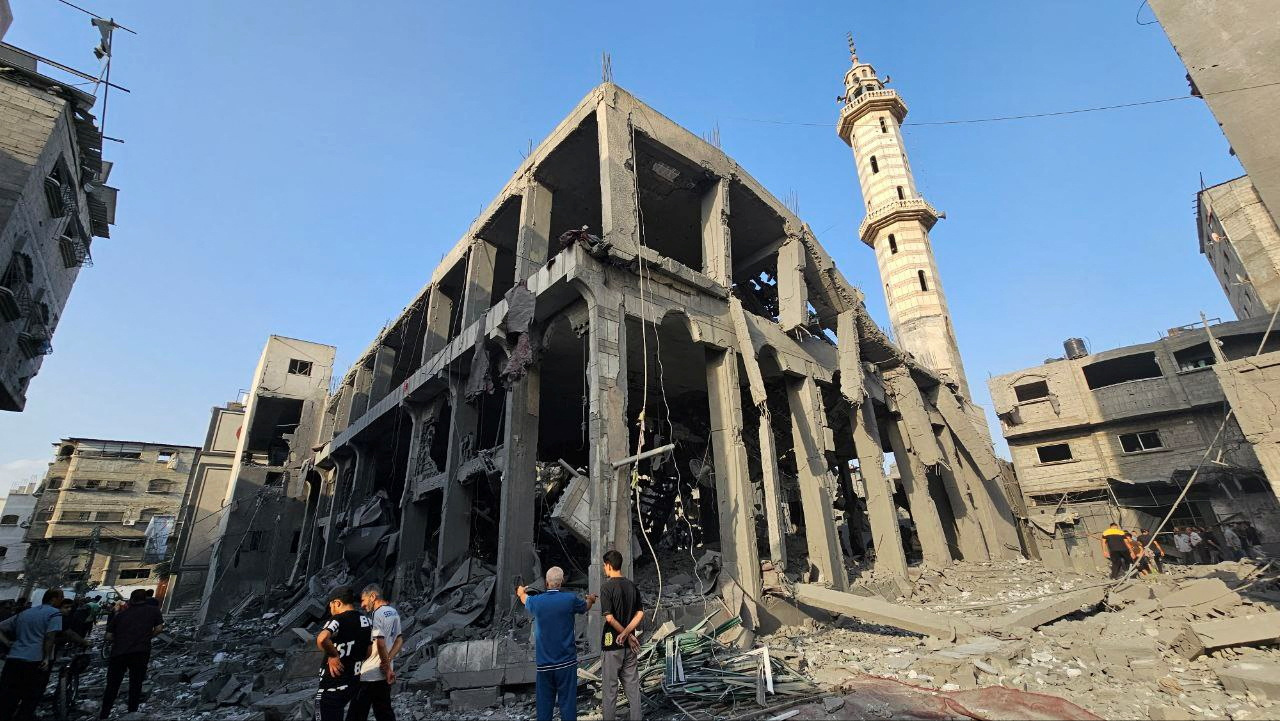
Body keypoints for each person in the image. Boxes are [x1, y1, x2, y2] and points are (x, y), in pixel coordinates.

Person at [518, 567, 597, 721]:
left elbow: (523, 599)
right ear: (561, 583)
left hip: (544, 665)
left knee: (544, 707)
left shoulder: (536, 602)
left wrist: (521, 591)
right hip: (566, 663)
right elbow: (585, 606)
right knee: (567, 706)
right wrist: (591, 599)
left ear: (547, 583)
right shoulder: (570, 599)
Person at [0, 588, 66, 721]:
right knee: (30, 699)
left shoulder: (25, 613)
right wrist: (47, 658)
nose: (62, 600)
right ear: (53, 599)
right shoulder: (55, 614)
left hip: (14, 658)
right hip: (35, 661)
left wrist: (8, 643)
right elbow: (50, 637)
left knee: (8, 698)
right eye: (61, 597)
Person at [100, 589, 164, 719]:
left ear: (131, 599)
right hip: (141, 651)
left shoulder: (121, 615)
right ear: (145, 598)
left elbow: (108, 635)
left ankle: (104, 714)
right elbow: (159, 628)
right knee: (136, 682)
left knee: (112, 685)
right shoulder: (153, 610)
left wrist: (121, 639)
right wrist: (147, 637)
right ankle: (132, 712)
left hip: (119, 652)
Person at [314, 585, 373, 721]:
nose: (330, 609)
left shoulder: (337, 620)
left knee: (320, 714)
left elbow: (322, 638)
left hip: (330, 687)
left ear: (337, 603)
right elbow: (369, 651)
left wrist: (333, 655)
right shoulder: (367, 621)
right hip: (354, 683)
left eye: (331, 606)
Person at [599, 550, 644, 721]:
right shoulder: (632, 586)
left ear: (609, 565)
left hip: (612, 645)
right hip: (630, 646)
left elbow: (609, 617)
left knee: (610, 691)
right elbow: (640, 613)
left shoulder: (606, 588)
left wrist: (623, 634)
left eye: (604, 565)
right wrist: (629, 634)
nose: (604, 568)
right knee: (633, 689)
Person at [350, 584, 402, 721]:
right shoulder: (393, 612)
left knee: (356, 713)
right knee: (384, 712)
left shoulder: (377, 614)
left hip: (370, 674)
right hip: (385, 674)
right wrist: (388, 663)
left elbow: (380, 642)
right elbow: (399, 640)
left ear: (373, 596)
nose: (362, 605)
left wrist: (385, 663)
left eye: (363, 600)